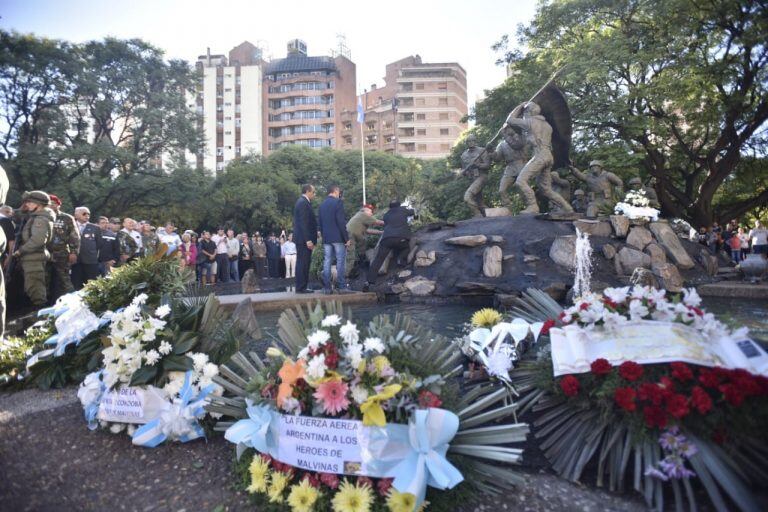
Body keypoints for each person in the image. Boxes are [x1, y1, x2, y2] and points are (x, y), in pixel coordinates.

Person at [505, 101, 573, 214]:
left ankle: (533, 206)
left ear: (529, 112)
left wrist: (520, 106)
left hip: (539, 155)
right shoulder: (547, 126)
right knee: (546, 189)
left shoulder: (530, 122)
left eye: (525, 113)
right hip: (548, 156)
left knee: (521, 181)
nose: (524, 115)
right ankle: (567, 208)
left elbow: (510, 120)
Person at [13, 191, 54, 306]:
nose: (27, 205)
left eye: (30, 202)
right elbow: (17, 214)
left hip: (34, 257)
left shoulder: (40, 219)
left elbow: (38, 240)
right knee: (33, 288)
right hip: (32, 256)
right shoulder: (36, 216)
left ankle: (41, 317)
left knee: (36, 290)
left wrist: (20, 251)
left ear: (38, 204)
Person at [366, 200, 415, 288]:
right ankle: (400, 259)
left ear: (390, 207)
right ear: (399, 205)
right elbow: (412, 212)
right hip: (401, 238)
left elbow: (388, 223)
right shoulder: (403, 210)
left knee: (378, 259)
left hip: (386, 239)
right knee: (406, 247)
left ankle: (369, 282)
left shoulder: (386, 215)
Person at [318, 184, 351, 293]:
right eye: (339, 192)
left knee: (327, 261)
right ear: (335, 191)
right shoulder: (338, 202)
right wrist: (346, 238)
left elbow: (320, 223)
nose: (339, 194)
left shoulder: (322, 204)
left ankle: (327, 287)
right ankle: (341, 286)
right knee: (340, 261)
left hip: (327, 238)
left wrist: (323, 236)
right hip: (338, 237)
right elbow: (341, 221)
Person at [48, 194, 80, 298]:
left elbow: (75, 236)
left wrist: (74, 252)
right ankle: (44, 305)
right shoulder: (41, 216)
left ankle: (71, 301)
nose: (50, 206)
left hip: (61, 253)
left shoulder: (67, 218)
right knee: (44, 279)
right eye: (48, 204)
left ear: (58, 205)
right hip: (44, 253)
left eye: (53, 204)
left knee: (64, 279)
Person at [494, 127, 528, 209]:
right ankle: (507, 207)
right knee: (502, 190)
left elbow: (517, 146)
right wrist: (491, 152)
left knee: (521, 187)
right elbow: (497, 159)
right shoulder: (502, 144)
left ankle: (529, 205)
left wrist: (506, 136)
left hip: (521, 164)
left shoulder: (519, 137)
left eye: (509, 128)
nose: (508, 130)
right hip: (510, 167)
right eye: (506, 129)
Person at [293, 184, 318, 294]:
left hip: (301, 239)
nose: (314, 194)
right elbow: (303, 223)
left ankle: (301, 286)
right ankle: (301, 287)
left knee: (302, 263)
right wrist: (308, 240)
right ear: (308, 191)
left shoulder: (302, 202)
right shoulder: (303, 203)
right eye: (313, 192)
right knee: (303, 263)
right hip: (303, 240)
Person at [460, 134, 492, 217]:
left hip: (481, 177)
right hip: (471, 178)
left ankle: (477, 214)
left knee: (467, 196)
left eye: (472, 140)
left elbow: (487, 165)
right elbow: (463, 169)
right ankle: (491, 214)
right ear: (466, 143)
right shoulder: (464, 155)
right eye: (469, 141)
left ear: (475, 141)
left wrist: (478, 165)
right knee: (479, 202)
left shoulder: (482, 151)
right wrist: (463, 172)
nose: (471, 143)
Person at [346, 204, 384, 273]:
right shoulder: (363, 215)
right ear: (365, 210)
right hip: (349, 235)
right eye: (370, 211)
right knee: (350, 255)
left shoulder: (360, 217)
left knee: (363, 241)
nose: (372, 213)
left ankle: (361, 262)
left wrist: (381, 232)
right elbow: (377, 222)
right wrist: (390, 221)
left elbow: (368, 231)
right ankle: (346, 274)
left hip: (350, 235)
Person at [71, 206, 102, 289]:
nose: (87, 216)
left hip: (90, 261)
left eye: (88, 214)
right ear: (76, 215)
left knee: (91, 285)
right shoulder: (70, 226)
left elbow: (99, 244)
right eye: (84, 213)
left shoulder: (95, 228)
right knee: (76, 284)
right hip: (75, 261)